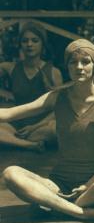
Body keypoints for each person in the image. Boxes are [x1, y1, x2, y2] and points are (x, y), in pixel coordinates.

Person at [1, 39, 94, 222]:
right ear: (67, 66)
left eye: (85, 61)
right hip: (58, 185)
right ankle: (80, 212)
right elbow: (8, 114)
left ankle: (57, 206)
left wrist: (88, 185)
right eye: (73, 62)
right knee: (11, 174)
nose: (79, 67)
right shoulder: (57, 97)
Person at [0, 22, 63, 151]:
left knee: (55, 130)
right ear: (20, 44)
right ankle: (29, 145)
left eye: (35, 40)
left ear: (42, 44)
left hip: (41, 125)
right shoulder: (10, 68)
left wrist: (34, 127)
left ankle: (12, 141)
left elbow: (59, 108)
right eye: (25, 41)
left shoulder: (53, 72)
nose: (29, 44)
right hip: (15, 124)